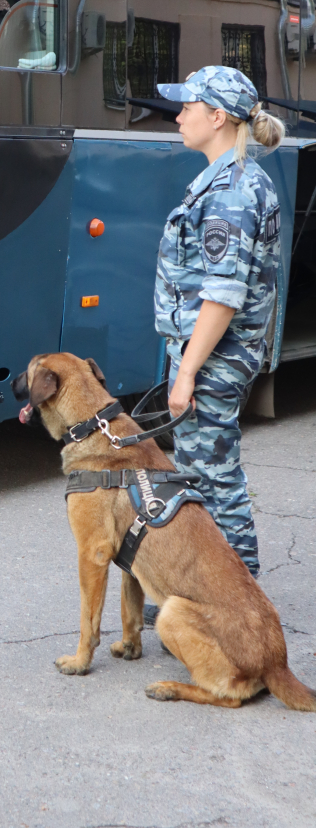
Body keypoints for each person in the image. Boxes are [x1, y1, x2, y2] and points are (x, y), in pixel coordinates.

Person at [152, 66, 285, 582]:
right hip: (214, 355)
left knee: (214, 480)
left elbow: (222, 297)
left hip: (212, 359)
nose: (178, 115)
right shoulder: (236, 179)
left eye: (188, 106)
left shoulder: (231, 191)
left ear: (218, 117)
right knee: (204, 476)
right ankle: (216, 594)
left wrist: (186, 373)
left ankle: (237, 603)